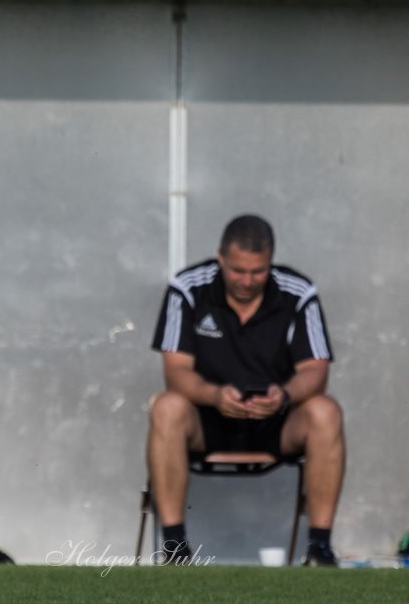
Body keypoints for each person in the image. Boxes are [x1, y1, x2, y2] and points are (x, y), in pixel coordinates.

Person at [147, 214, 345, 566]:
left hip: (276, 423)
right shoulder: (188, 288)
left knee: (325, 411)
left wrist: (282, 396)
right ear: (220, 259)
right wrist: (215, 396)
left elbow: (316, 370)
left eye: (258, 271)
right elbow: (176, 373)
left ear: (271, 262)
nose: (247, 281)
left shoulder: (298, 292)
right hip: (205, 421)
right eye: (238, 270)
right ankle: (175, 549)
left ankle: (320, 549)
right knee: (167, 407)